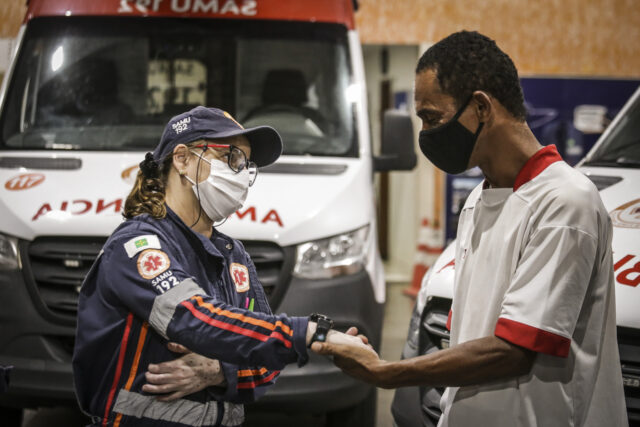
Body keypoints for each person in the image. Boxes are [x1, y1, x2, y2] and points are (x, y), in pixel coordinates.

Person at [311, 31, 628, 426]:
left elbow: (512, 350)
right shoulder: (479, 200)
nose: (426, 135)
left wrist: (388, 372)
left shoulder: (566, 202)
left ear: (480, 107)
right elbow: (470, 335)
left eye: (432, 118)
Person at [72, 106, 370, 427]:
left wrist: (219, 371)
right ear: (183, 159)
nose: (241, 174)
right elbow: (194, 317)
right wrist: (310, 334)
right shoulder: (138, 245)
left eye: (246, 164)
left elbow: (266, 363)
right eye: (232, 159)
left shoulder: (234, 256)